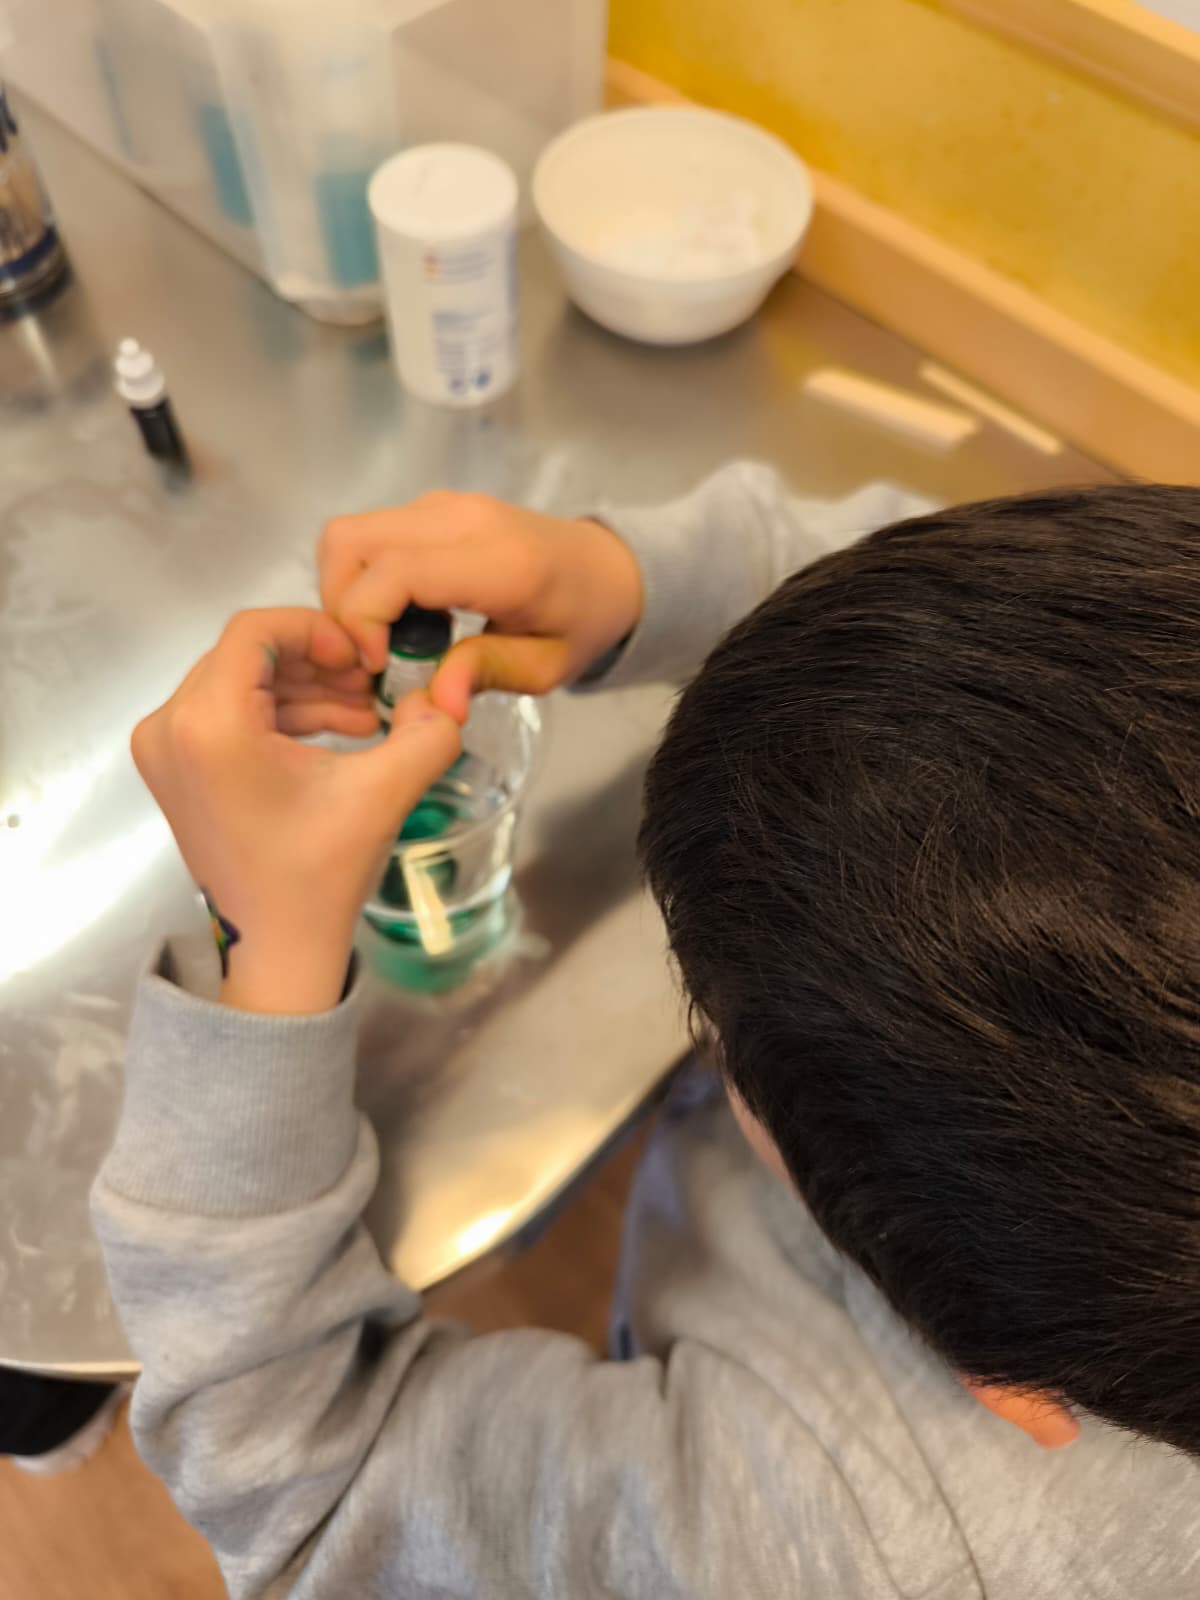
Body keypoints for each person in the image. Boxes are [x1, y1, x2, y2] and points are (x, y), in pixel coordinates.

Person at [93, 466, 1200, 1599]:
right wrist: (628, 580)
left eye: (712, 1018)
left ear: (1010, 1388)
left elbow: (312, 1499)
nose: (707, 1026)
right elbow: (972, 600)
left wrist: (260, 942)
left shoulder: (821, 1540)